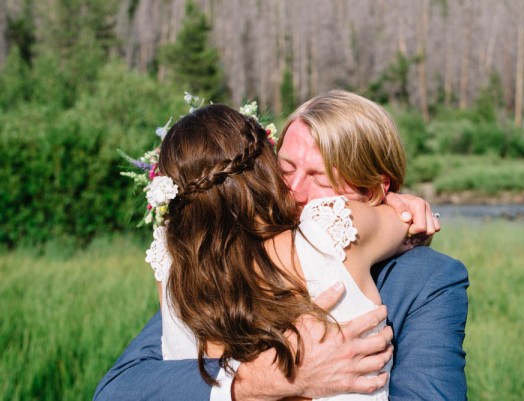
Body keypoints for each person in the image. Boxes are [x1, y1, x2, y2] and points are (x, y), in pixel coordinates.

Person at [94, 90, 469, 401]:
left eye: (320, 178)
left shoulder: (429, 280)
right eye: (286, 170)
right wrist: (256, 382)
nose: (296, 191)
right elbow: (122, 389)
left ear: (370, 190)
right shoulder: (209, 268)